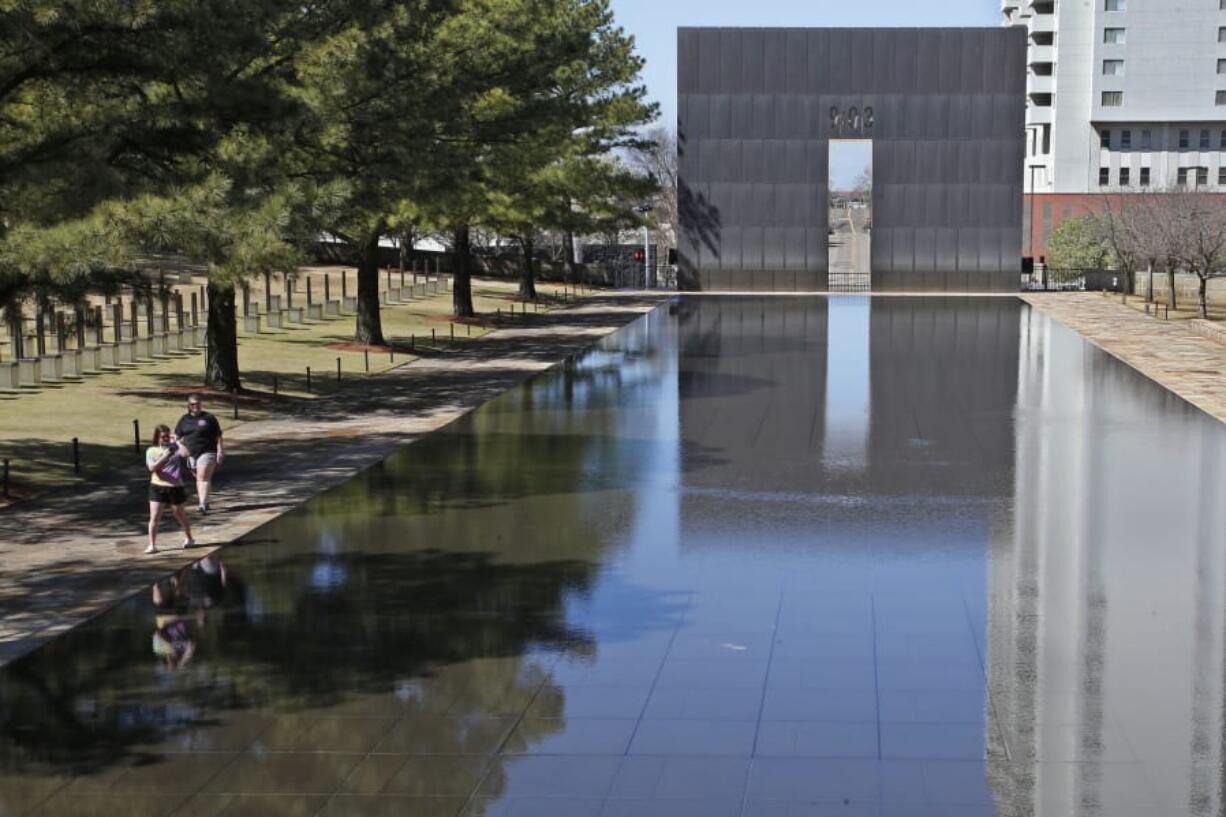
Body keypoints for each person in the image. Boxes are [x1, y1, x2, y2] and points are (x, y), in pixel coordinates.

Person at [145, 424, 195, 554]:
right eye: (163, 437)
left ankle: (189, 538)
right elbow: (151, 468)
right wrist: (165, 455)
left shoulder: (176, 447)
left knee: (180, 514)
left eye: (167, 436)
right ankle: (152, 545)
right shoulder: (151, 450)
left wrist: (176, 442)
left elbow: (186, 453)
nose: (166, 439)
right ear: (157, 437)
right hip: (157, 487)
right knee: (154, 517)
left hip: (175, 487)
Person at [174, 393, 225, 513]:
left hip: (207, 451)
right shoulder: (184, 419)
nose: (195, 406)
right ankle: (205, 501)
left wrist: (220, 450)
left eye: (198, 404)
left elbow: (218, 436)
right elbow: (176, 436)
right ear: (189, 406)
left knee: (203, 477)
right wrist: (180, 446)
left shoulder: (209, 418)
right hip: (191, 453)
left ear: (201, 404)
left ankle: (202, 504)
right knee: (199, 478)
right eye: (192, 404)